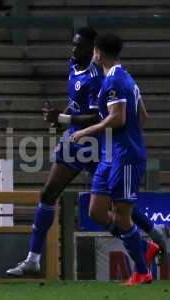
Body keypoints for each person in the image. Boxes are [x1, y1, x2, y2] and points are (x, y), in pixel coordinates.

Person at [6, 28, 166, 277]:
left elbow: (98, 115)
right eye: (73, 44)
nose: (74, 50)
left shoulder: (101, 77)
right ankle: (33, 260)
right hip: (76, 140)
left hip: (95, 141)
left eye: (80, 46)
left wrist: (64, 119)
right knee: (49, 192)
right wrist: (62, 116)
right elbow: (78, 102)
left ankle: (151, 238)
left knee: (113, 202)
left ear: (95, 51)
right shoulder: (74, 65)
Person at [71, 33, 157, 285]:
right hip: (112, 155)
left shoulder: (115, 81)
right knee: (96, 211)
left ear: (98, 52)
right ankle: (143, 248)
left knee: (121, 216)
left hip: (125, 157)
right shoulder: (123, 78)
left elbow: (118, 118)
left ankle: (141, 271)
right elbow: (143, 116)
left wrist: (85, 132)